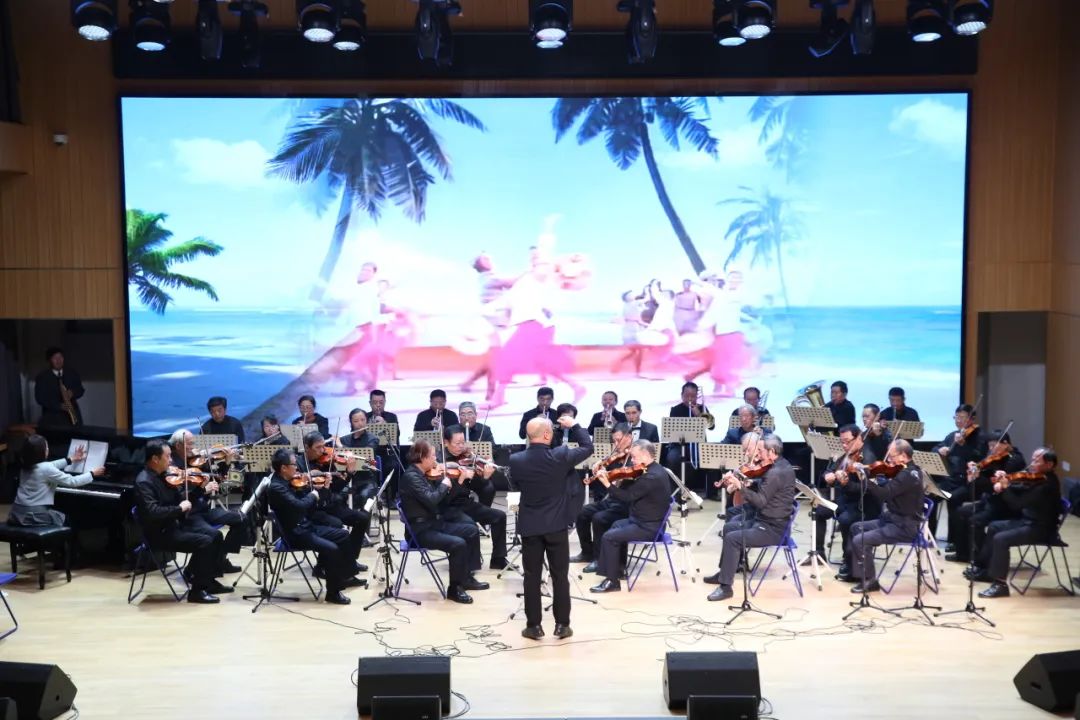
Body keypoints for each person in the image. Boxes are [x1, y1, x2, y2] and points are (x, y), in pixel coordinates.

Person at [511, 415, 593, 640]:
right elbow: (588, 447)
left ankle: (534, 626)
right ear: (547, 435)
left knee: (531, 577)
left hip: (530, 525)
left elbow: (516, 487)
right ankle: (562, 625)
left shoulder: (516, 460)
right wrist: (574, 426)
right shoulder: (560, 456)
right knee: (560, 576)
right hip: (556, 525)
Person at [134, 440, 232, 604]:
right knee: (205, 542)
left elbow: (183, 500)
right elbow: (153, 512)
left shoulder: (164, 476)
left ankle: (208, 582)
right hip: (160, 533)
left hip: (174, 525)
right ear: (155, 459)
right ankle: (197, 591)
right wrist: (179, 509)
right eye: (168, 456)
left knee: (215, 536)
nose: (171, 460)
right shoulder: (144, 482)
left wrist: (200, 489)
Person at [705, 435, 796, 601]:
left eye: (760, 450)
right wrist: (750, 483)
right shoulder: (781, 465)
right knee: (728, 527)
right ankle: (724, 573)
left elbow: (760, 501)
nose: (758, 454)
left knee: (732, 538)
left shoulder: (776, 473)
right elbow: (767, 487)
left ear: (772, 452)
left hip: (772, 529)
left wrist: (740, 486)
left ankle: (726, 588)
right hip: (764, 521)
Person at [398, 440, 487, 604]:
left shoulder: (424, 474)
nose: (436, 459)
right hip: (420, 531)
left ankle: (466, 578)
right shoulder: (411, 477)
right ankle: (454, 589)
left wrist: (453, 482)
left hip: (433, 523)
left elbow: (440, 500)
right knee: (458, 544)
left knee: (471, 530)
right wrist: (445, 485)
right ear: (422, 457)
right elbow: (432, 500)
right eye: (432, 456)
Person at [267, 448, 358, 605]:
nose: (297, 468)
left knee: (343, 534)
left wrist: (323, 488)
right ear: (283, 468)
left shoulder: (290, 482)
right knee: (332, 549)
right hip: (295, 534)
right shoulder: (277, 487)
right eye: (294, 465)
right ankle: (333, 593)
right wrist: (313, 493)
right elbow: (300, 506)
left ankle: (345, 576)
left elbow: (311, 506)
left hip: (306, 526)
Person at [968, 448, 1061, 598]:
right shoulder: (1036, 478)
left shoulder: (1047, 485)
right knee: (994, 527)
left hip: (1041, 528)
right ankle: (987, 570)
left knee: (1001, 539)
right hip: (1027, 522)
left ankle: (1000, 585)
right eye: (1032, 459)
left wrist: (1005, 488)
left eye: (1037, 460)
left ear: (1049, 464)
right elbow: (1021, 486)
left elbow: (1018, 504)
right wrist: (1005, 478)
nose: (1032, 463)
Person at [588, 440, 672, 594]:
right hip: (641, 521)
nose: (632, 460)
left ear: (645, 455)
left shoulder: (652, 476)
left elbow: (627, 497)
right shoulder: (652, 469)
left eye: (634, 457)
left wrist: (607, 483)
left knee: (609, 537)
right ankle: (618, 570)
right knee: (615, 525)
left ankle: (612, 582)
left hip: (649, 527)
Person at [848, 439, 925, 594]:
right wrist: (866, 471)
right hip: (891, 520)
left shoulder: (909, 475)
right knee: (856, 527)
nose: (888, 460)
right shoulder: (901, 471)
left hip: (904, 526)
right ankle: (862, 575)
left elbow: (884, 494)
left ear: (903, 456)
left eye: (892, 456)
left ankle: (870, 581)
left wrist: (866, 480)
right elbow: (888, 484)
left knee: (860, 540)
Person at [809, 424, 882, 581]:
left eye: (847, 441)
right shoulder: (846, 455)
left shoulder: (868, 458)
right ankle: (819, 552)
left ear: (859, 438)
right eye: (841, 441)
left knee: (845, 519)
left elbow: (866, 489)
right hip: (845, 500)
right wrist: (828, 476)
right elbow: (830, 470)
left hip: (862, 505)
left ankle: (847, 559)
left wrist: (846, 483)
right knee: (819, 511)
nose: (844, 445)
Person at [168, 430, 245, 575]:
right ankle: (193, 570)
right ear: (178, 445)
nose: (193, 448)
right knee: (214, 535)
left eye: (193, 443)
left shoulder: (195, 461)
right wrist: (203, 490)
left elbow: (217, 478)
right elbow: (179, 498)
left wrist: (227, 462)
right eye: (189, 444)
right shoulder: (172, 467)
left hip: (203, 510)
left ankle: (220, 559)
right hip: (189, 515)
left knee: (241, 518)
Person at [295, 432, 370, 578]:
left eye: (324, 446)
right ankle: (321, 567)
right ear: (307, 448)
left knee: (362, 519)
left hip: (329, 504)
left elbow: (336, 488)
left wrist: (349, 473)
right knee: (335, 525)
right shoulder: (299, 464)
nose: (323, 450)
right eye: (318, 447)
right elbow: (298, 491)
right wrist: (309, 480)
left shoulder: (326, 462)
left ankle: (350, 561)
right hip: (313, 509)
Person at [946, 432, 1025, 563]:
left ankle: (982, 558)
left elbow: (995, 485)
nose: (991, 449)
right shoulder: (995, 458)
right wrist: (974, 473)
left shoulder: (1015, 460)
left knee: (975, 520)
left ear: (1005, 444)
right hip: (991, 501)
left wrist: (979, 478)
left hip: (1005, 505)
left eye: (994, 445)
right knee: (960, 512)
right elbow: (987, 479)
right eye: (989, 446)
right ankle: (963, 554)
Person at [437, 425, 507, 569]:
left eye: (463, 442)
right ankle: (470, 568)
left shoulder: (465, 459)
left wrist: (485, 477)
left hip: (465, 503)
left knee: (500, 516)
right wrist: (461, 479)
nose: (461, 447)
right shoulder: (439, 462)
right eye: (457, 443)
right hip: (448, 507)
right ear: (446, 442)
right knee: (470, 526)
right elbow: (444, 496)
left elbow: (477, 486)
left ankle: (498, 560)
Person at [572, 422, 634, 571]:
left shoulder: (637, 456)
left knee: (599, 518)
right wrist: (600, 465)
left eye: (619, 440)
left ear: (629, 437)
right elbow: (610, 469)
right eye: (614, 441)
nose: (616, 444)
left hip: (627, 503)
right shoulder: (618, 455)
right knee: (581, 513)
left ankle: (599, 559)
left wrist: (608, 477)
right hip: (613, 499)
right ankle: (587, 552)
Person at [8, 434, 104, 527]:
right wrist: (92, 473)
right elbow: (73, 481)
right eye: (46, 448)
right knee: (67, 520)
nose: (48, 449)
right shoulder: (46, 468)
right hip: (33, 515)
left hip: (16, 513)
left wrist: (72, 459)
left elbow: (51, 465)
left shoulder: (26, 465)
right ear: (41, 452)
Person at [34, 347, 84, 427]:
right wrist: (58, 406)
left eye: (60, 357)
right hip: (52, 418)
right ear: (49, 360)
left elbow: (80, 390)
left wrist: (72, 392)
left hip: (72, 419)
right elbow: (40, 398)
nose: (58, 360)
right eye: (55, 358)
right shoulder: (42, 378)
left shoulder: (72, 373)